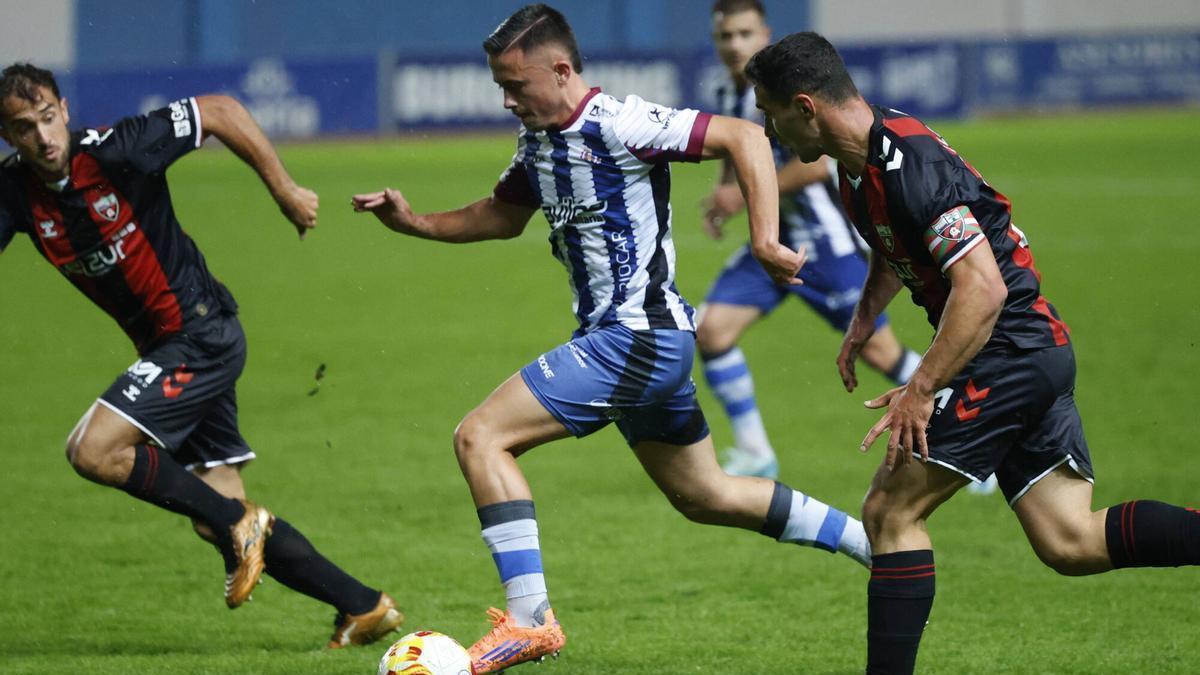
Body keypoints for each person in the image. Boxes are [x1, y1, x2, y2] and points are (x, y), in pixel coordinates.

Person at [353, 5, 871, 672]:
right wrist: (415, 222)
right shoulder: (539, 143)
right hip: (639, 343)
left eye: (515, 85)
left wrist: (765, 239)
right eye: (500, 87)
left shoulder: (622, 123)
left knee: (480, 436)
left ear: (559, 70)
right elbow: (502, 216)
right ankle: (874, 543)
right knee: (705, 495)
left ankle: (530, 620)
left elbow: (745, 136)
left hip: (637, 338)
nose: (507, 101)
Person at [744, 32, 1200, 674]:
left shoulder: (911, 165)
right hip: (1028, 350)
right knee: (1069, 540)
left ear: (805, 106)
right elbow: (894, 242)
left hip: (1006, 350)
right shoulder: (857, 162)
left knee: (890, 511)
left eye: (770, 114)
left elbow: (982, 289)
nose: (769, 130)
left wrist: (921, 388)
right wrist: (866, 316)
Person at [0, 63, 401, 648]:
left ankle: (243, 524)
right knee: (214, 512)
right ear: (8, 136)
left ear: (63, 109)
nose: (43, 137)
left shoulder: (117, 151)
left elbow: (219, 110)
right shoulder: (15, 191)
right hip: (170, 347)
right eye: (23, 128)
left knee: (93, 450)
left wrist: (286, 191)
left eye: (47, 118)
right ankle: (364, 606)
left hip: (199, 334)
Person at [697, 0, 923, 480]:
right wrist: (725, 194)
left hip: (824, 244)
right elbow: (738, 150)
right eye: (725, 36)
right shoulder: (727, 90)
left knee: (879, 352)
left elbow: (816, 166)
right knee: (711, 331)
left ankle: (971, 424)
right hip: (772, 241)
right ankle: (756, 452)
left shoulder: (786, 90)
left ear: (765, 34)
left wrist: (741, 195)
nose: (734, 45)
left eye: (744, 34)